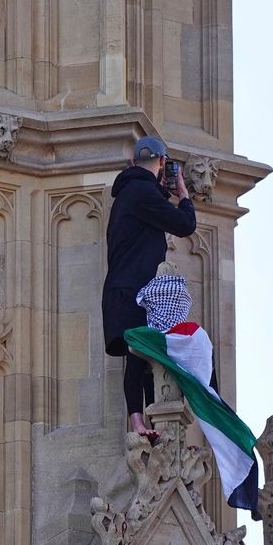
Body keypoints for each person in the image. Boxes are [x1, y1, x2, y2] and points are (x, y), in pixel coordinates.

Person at [126, 274, 259, 514]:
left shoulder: (192, 339)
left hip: (175, 423)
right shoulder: (148, 340)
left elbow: (210, 395)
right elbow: (212, 392)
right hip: (157, 423)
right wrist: (139, 425)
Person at [102, 138, 196, 440]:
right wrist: (182, 193)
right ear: (161, 163)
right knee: (139, 353)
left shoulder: (130, 193)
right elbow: (185, 224)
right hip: (133, 291)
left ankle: (145, 423)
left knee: (141, 356)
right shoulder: (142, 192)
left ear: (133, 162)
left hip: (124, 289)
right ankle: (141, 423)